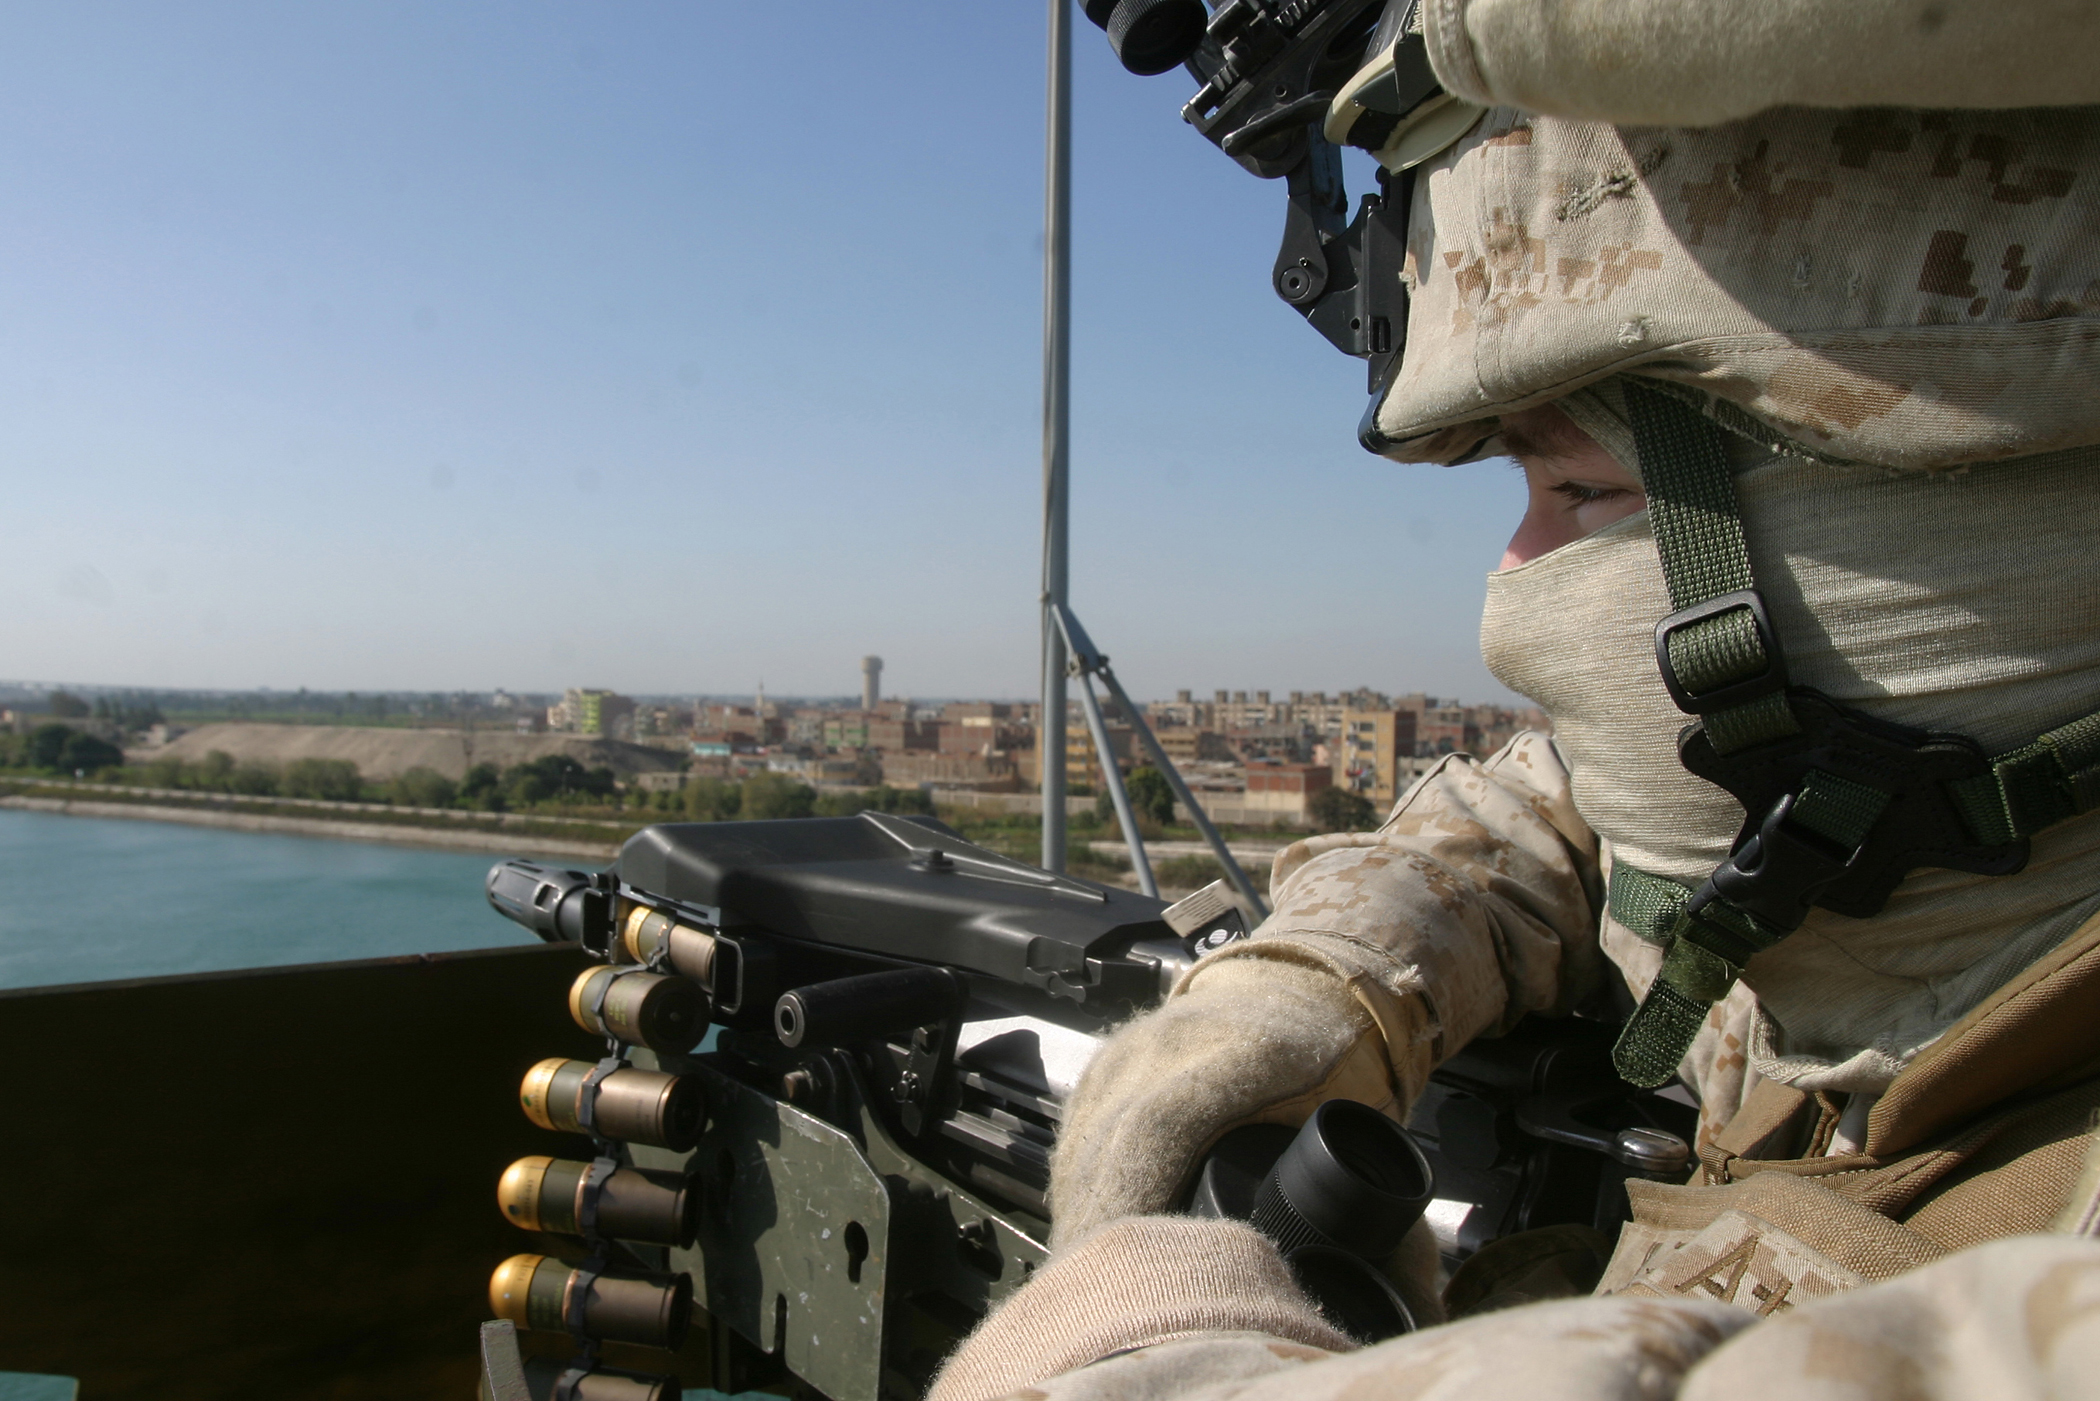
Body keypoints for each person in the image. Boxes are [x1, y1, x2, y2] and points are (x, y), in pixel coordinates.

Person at [927, 3, 2100, 1397]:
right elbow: (1574, 812)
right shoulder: (1884, 909)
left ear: (1964, 567)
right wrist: (1327, 981)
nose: (1507, 594)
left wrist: (1145, 1354)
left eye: (1585, 490)